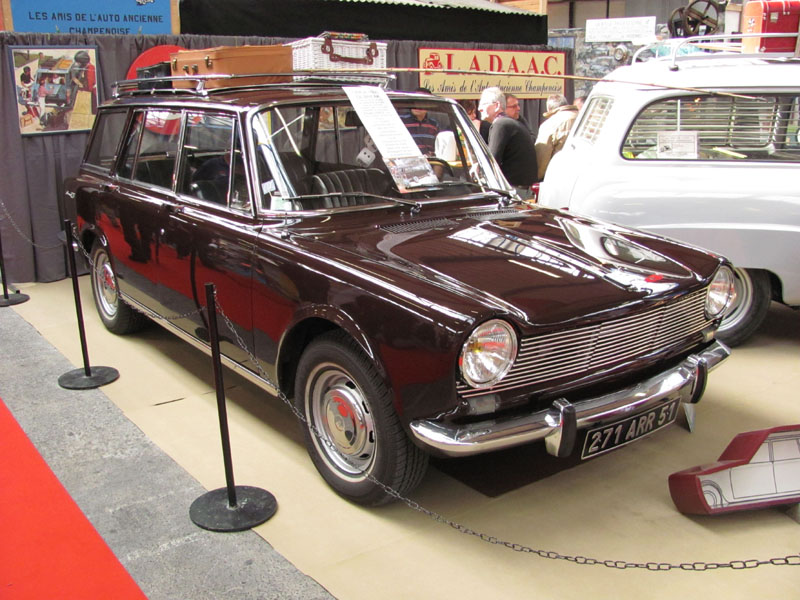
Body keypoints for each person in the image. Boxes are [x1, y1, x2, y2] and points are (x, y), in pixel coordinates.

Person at [478, 87, 537, 197]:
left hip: (514, 191)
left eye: (483, 104)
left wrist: (478, 167)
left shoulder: (501, 124)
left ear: (496, 106)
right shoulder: (510, 123)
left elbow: (492, 162)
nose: (479, 108)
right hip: (522, 189)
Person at [534, 94, 579, 181]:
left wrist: (536, 178)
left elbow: (542, 156)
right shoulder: (583, 117)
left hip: (559, 175)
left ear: (549, 109)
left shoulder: (550, 124)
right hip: (583, 173)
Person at [400, 87, 440, 156]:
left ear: (429, 105)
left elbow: (437, 150)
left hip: (429, 164)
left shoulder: (434, 125)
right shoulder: (400, 121)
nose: (417, 105)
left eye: (422, 102)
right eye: (415, 101)